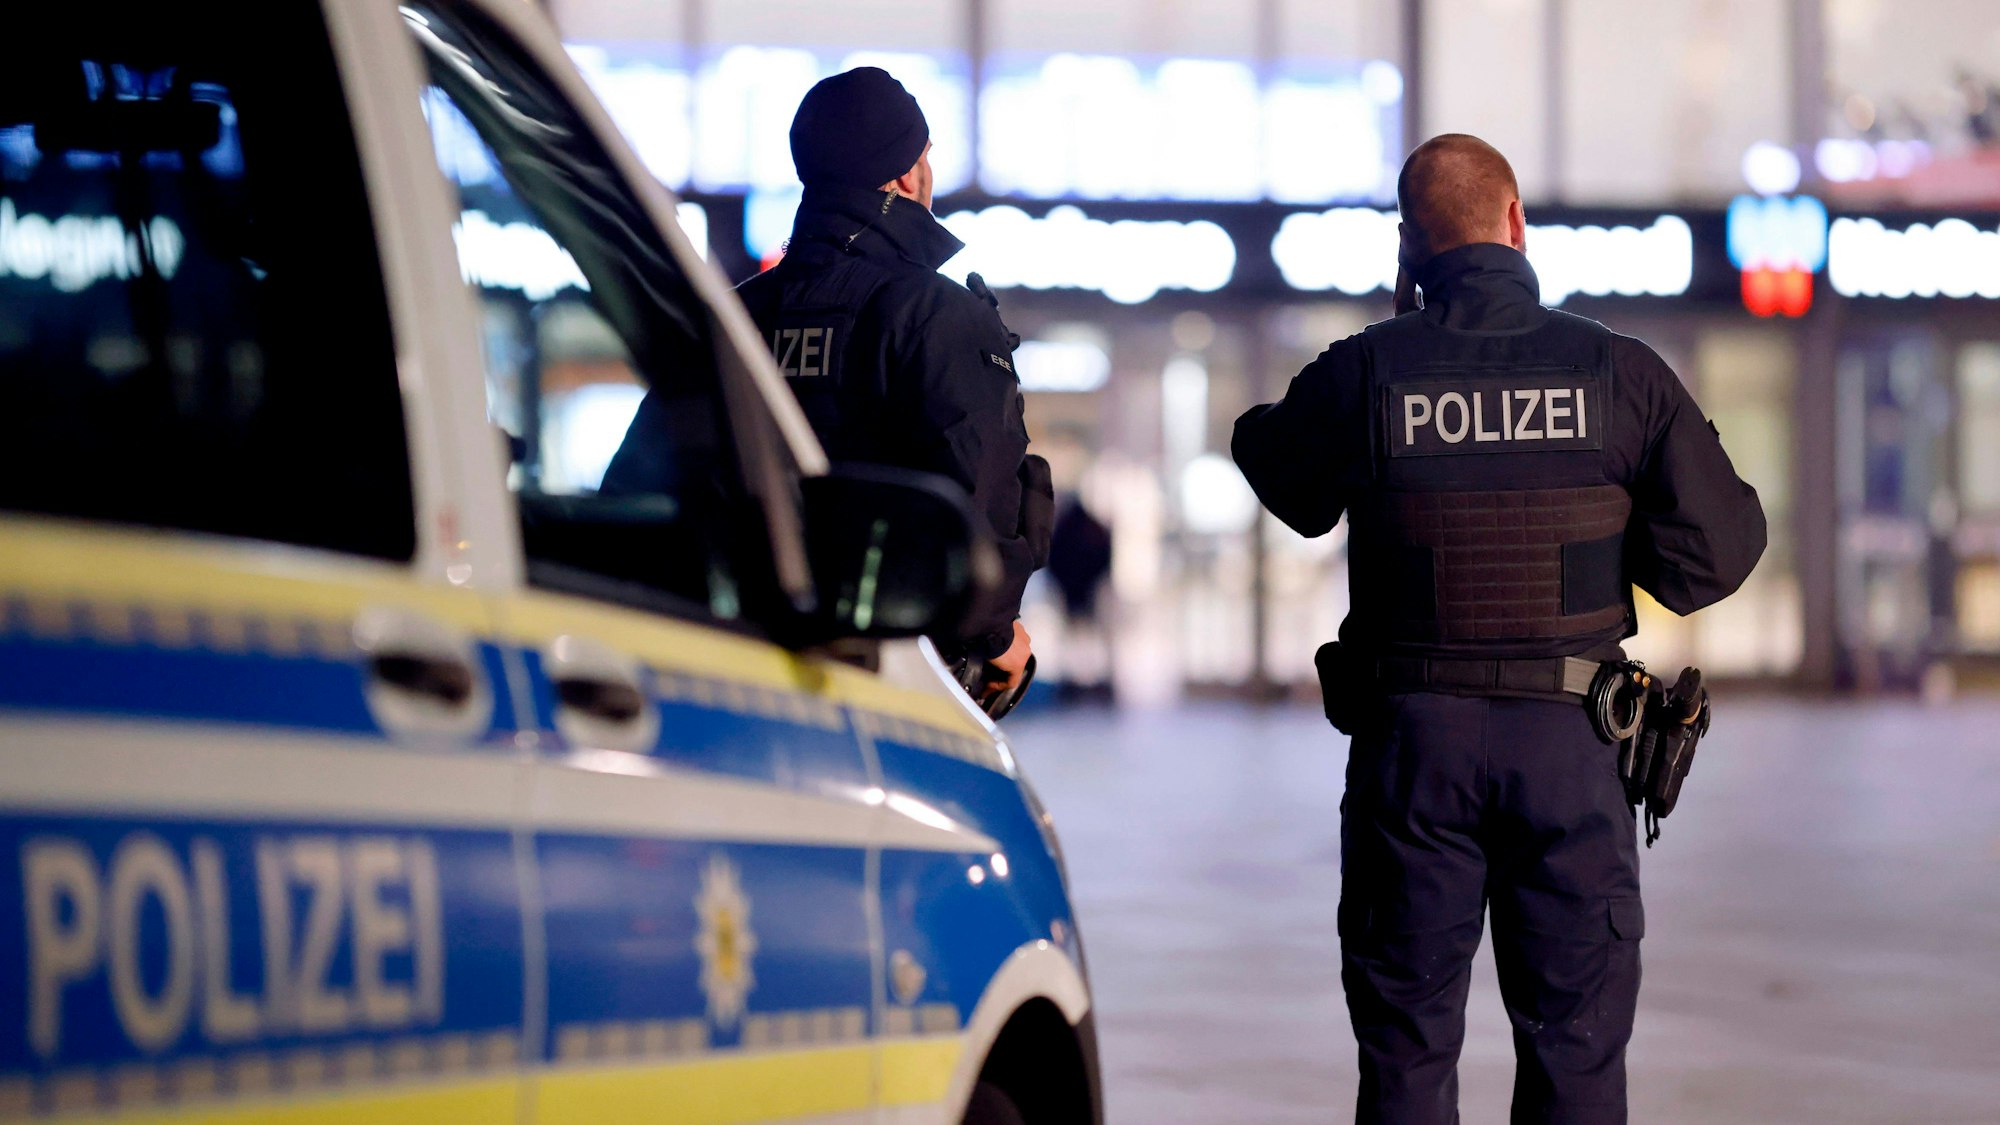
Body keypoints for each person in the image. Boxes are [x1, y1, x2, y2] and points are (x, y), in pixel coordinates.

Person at [1232, 134, 1766, 1125]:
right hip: (1572, 743)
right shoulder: (1618, 372)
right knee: (1572, 1051)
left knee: (1405, 1052)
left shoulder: (1368, 372)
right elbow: (1719, 550)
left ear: (1406, 248)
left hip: (1412, 753)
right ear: (1515, 224)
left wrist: (1394, 337)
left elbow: (1272, 467)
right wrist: (1609, 562)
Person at [610, 67, 1051, 700]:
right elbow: (974, 507)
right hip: (884, 676)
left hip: (724, 659)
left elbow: (638, 484)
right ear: (906, 172)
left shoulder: (734, 318)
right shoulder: (938, 314)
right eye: (927, 156)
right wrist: (998, 637)